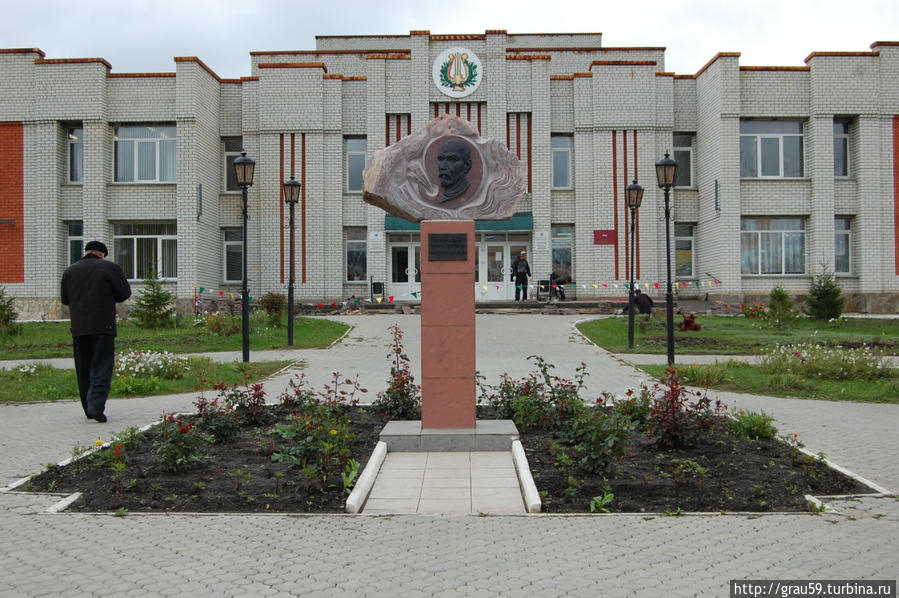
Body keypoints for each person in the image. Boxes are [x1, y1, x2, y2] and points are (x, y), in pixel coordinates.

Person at [61, 241, 131, 422]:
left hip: (79, 327)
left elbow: (65, 299)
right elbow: (124, 293)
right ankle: (96, 406)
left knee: (83, 368)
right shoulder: (109, 268)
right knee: (101, 366)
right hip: (103, 327)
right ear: (102, 254)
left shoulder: (70, 271)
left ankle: (87, 408)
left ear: (86, 252)